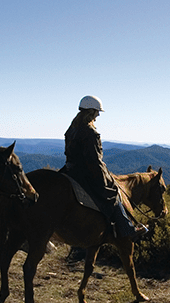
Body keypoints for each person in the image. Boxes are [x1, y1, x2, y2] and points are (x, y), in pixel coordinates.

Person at [62, 95, 146, 240]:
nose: (98, 114)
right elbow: (95, 161)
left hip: (69, 170)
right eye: (97, 111)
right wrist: (106, 180)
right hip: (86, 173)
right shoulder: (91, 132)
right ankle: (128, 229)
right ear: (91, 112)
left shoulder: (71, 130)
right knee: (113, 193)